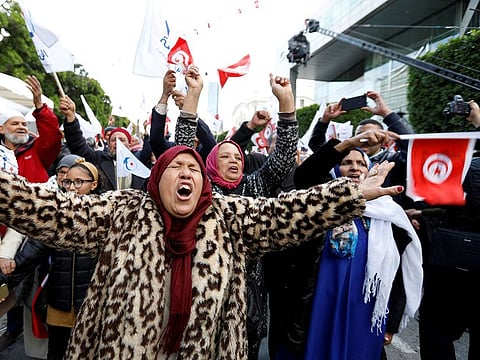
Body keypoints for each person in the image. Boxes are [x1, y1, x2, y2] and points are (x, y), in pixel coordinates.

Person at [0, 138, 404, 359]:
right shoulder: (122, 210)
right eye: (176, 166)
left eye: (194, 168)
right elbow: (49, 210)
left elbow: (286, 213)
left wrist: (349, 193)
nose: (186, 172)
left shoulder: (227, 215)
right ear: (157, 177)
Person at [175, 67, 299, 359]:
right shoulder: (199, 189)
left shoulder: (255, 185)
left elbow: (282, 158)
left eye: (237, 157)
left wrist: (287, 105)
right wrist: (193, 95)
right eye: (224, 156)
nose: (233, 160)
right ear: (211, 163)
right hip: (199, 296)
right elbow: (181, 149)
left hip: (248, 301)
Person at [9, 157, 101, 360]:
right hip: (58, 306)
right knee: (57, 353)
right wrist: (4, 279)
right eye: (68, 182)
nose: (72, 188)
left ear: (93, 184)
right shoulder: (56, 216)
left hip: (91, 308)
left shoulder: (105, 218)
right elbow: (29, 256)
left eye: (79, 182)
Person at [0, 74, 62, 354]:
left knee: (29, 288)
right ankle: (10, 331)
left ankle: (29, 339)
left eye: (25, 124)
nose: (22, 127)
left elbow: (52, 135)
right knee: (5, 287)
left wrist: (40, 106)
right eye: (16, 124)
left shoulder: (35, 152)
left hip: (32, 236)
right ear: (2, 129)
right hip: (2, 235)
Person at [414, 99, 480, 360]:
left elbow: (430, 196)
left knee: (434, 328)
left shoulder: (457, 166)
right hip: (453, 263)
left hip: (448, 263)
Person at [308, 90, 414, 208]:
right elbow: (318, 152)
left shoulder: (392, 162)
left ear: (384, 138)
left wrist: (386, 113)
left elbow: (413, 148)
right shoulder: (343, 155)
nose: (355, 169)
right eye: (347, 163)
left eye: (362, 164)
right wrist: (324, 120)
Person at [61, 97, 146, 191]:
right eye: (114, 140)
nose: (117, 143)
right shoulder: (98, 159)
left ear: (130, 144)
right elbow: (77, 145)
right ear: (108, 144)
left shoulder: (139, 164)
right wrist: (71, 118)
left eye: (121, 140)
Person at [149, 69, 217, 163]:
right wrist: (165, 96)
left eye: (193, 127)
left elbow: (212, 146)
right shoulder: (171, 151)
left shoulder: (204, 155)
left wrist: (189, 107)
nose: (190, 129)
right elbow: (155, 140)